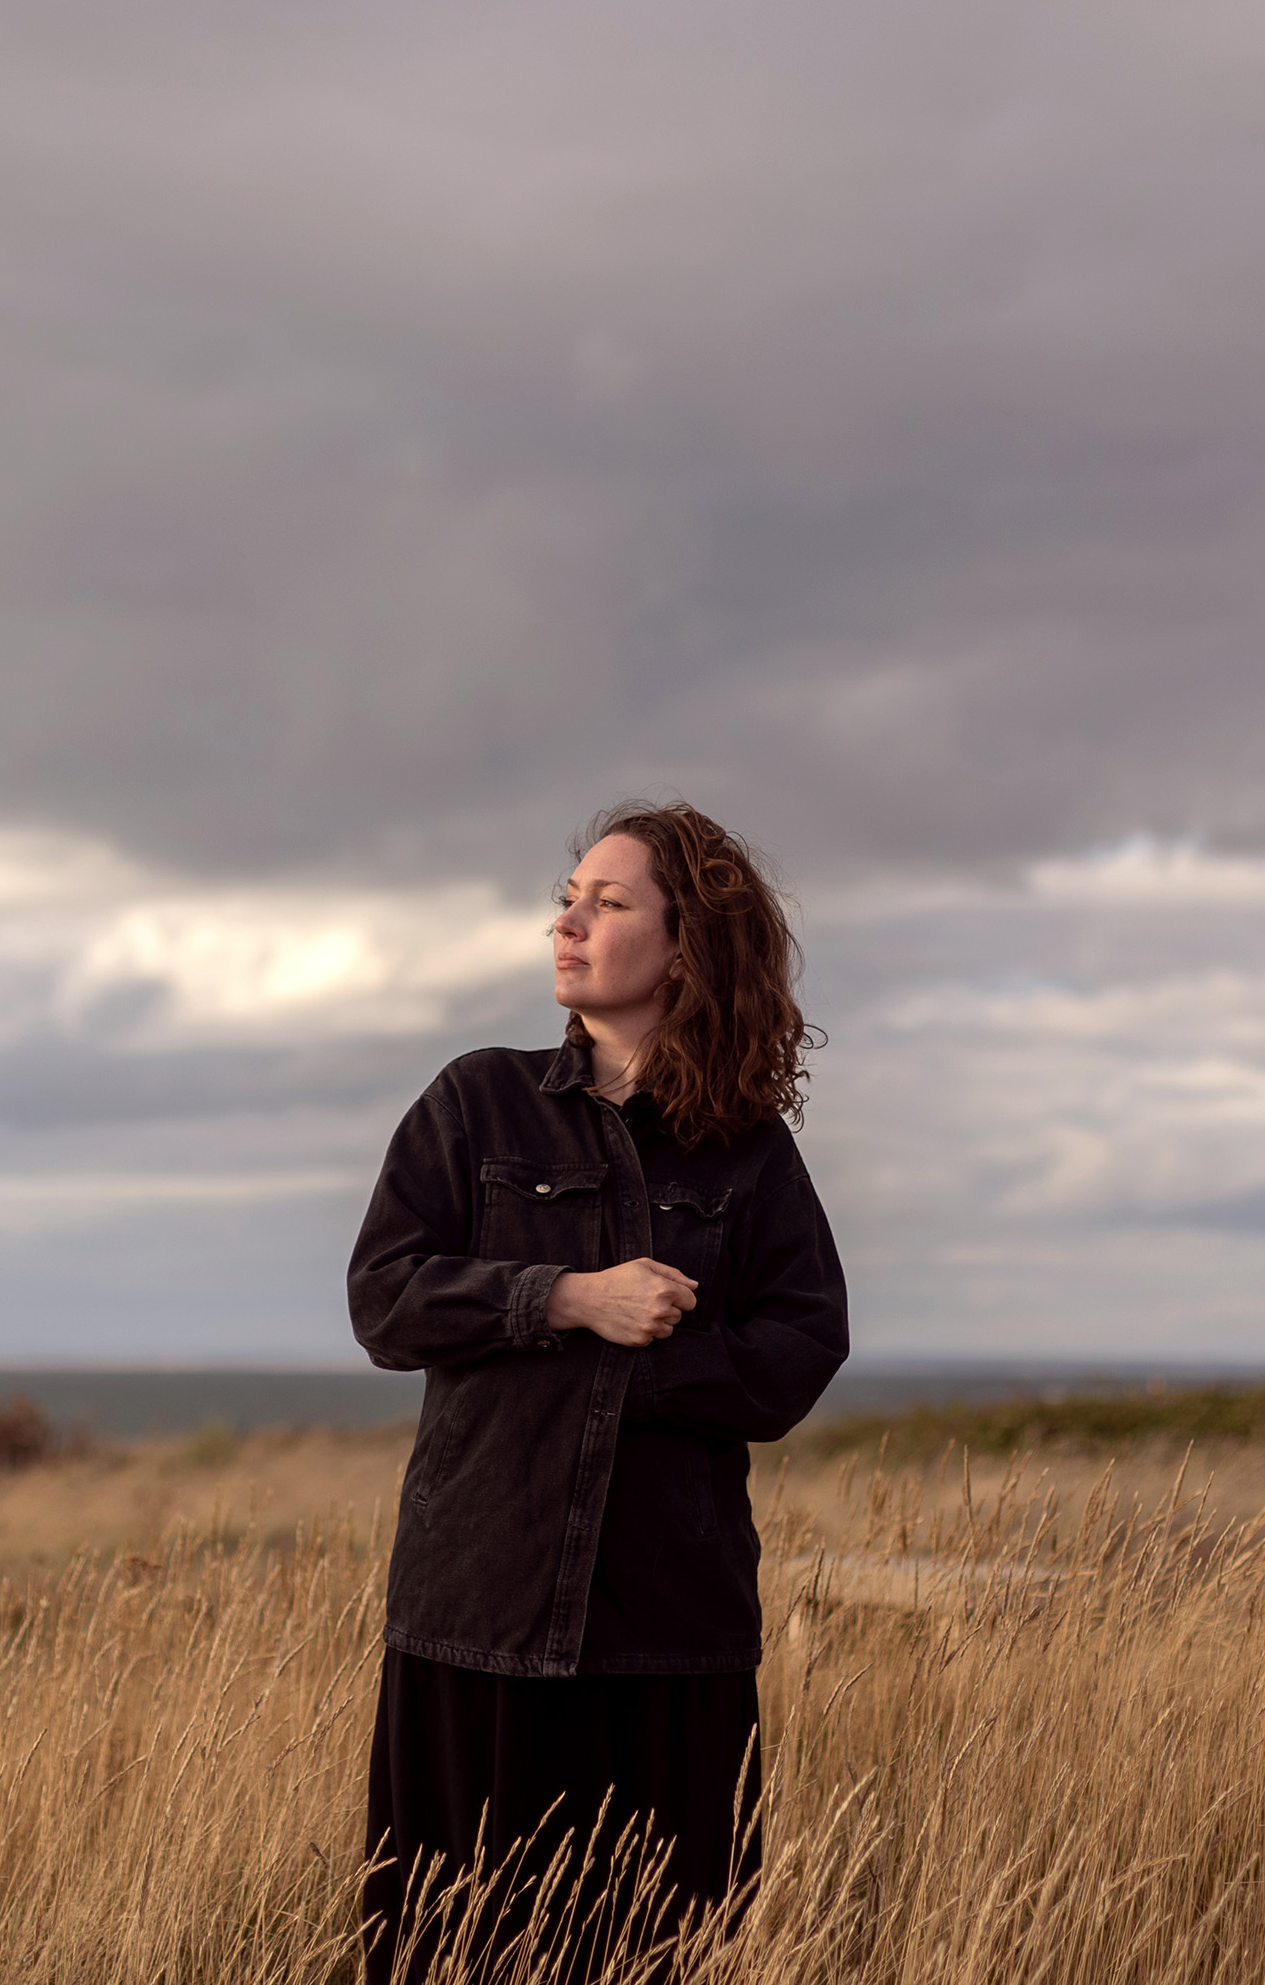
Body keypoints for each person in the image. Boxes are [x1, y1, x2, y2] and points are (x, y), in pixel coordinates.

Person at [348, 800, 848, 1981]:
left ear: (686, 947)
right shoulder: (476, 1102)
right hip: (478, 1615)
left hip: (670, 1631)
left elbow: (798, 1346)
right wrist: (569, 1298)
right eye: (568, 897)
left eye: (608, 902)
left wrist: (652, 1362)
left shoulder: (746, 1149)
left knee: (664, 1953)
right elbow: (386, 1299)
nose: (565, 921)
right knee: (444, 1952)